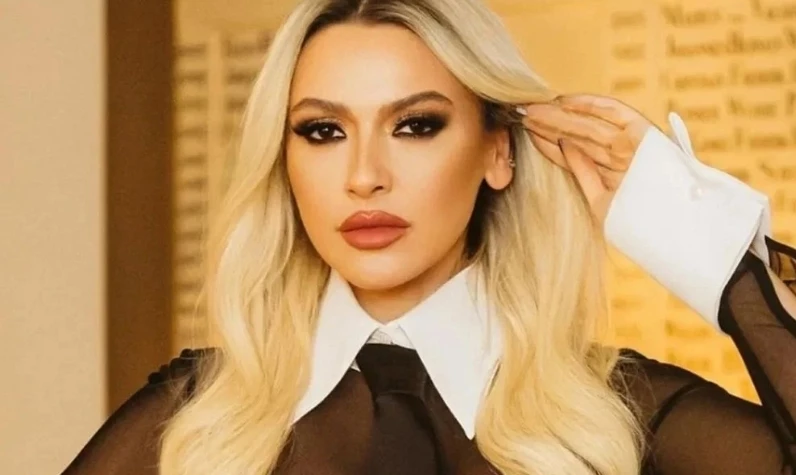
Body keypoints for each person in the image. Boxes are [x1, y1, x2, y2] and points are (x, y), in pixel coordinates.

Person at [61, 0, 796, 474]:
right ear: (282, 161)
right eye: (323, 131)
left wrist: (709, 245)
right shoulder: (198, 418)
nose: (364, 176)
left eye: (415, 125)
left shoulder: (622, 415)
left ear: (497, 150)